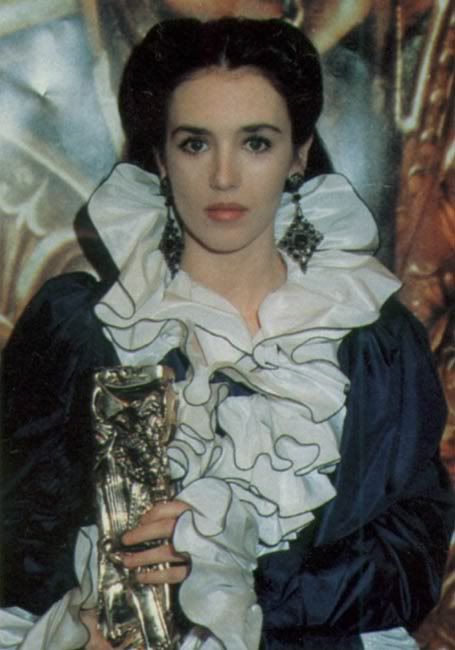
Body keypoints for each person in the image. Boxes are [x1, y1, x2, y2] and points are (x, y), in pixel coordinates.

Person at [1, 16, 453, 650]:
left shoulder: (372, 339)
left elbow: (411, 560)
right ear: (160, 159)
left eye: (256, 143)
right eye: (194, 144)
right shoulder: (81, 328)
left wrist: (244, 586)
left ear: (298, 155)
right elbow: (18, 551)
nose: (223, 176)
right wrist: (84, 616)